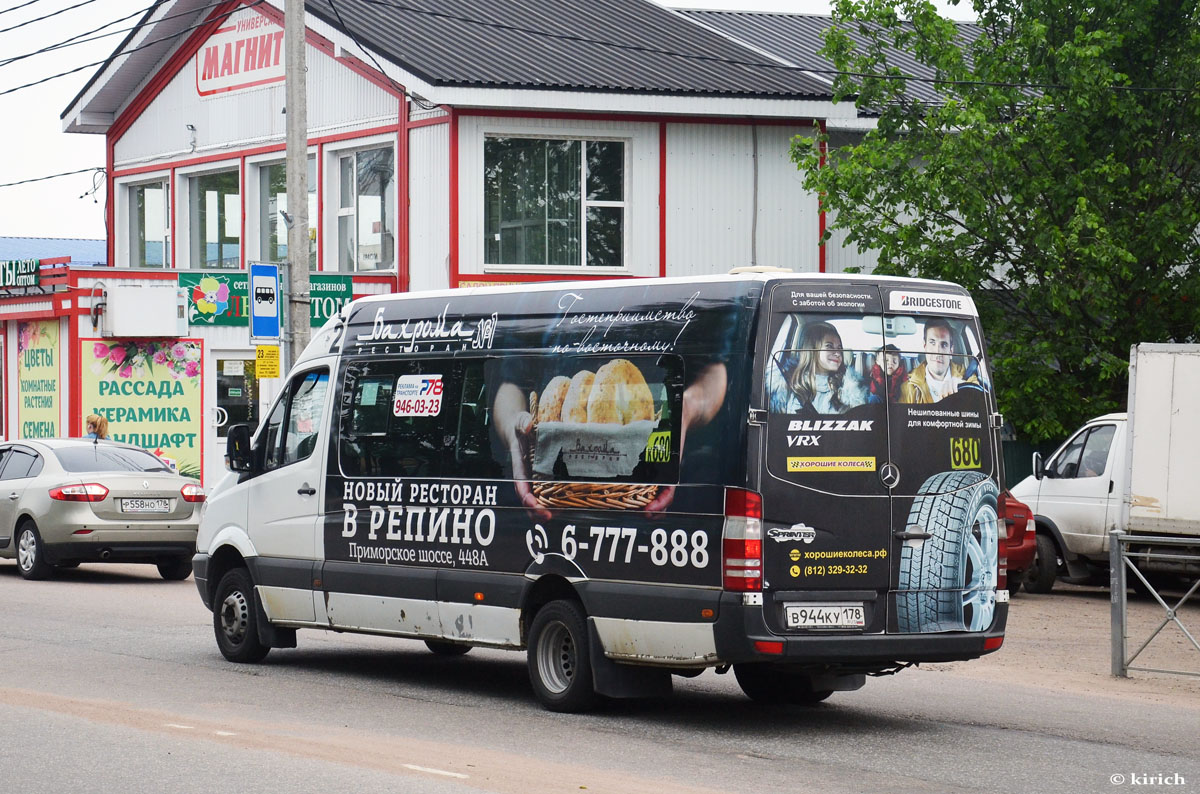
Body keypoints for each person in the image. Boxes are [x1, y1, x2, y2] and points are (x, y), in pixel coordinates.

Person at [767, 320, 871, 414]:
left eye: (839, 348)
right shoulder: (788, 384)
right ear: (812, 349)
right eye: (829, 346)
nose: (838, 353)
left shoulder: (849, 389)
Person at [899, 318, 979, 404]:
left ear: (951, 350)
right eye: (932, 343)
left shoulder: (967, 377)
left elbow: (979, 402)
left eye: (944, 344)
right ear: (925, 346)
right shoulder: (908, 388)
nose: (938, 351)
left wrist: (963, 386)